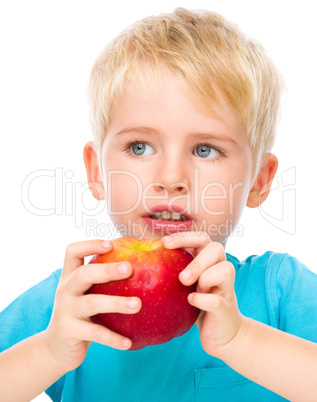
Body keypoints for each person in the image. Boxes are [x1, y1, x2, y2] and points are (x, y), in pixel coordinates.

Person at [1, 7, 317, 401]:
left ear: (260, 180)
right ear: (96, 170)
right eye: (140, 146)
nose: (171, 178)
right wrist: (47, 352)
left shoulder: (279, 291)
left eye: (205, 149)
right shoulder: (73, 302)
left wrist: (242, 338)